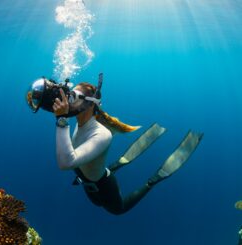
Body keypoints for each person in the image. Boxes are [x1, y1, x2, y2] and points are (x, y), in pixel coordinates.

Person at [51, 80, 202, 215]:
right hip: (86, 182)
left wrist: (62, 119)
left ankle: (153, 180)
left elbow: (66, 162)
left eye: (73, 97)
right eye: (69, 95)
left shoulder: (102, 135)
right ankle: (119, 163)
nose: (68, 101)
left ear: (90, 103)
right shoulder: (79, 124)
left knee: (118, 210)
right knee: (97, 203)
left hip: (104, 187)